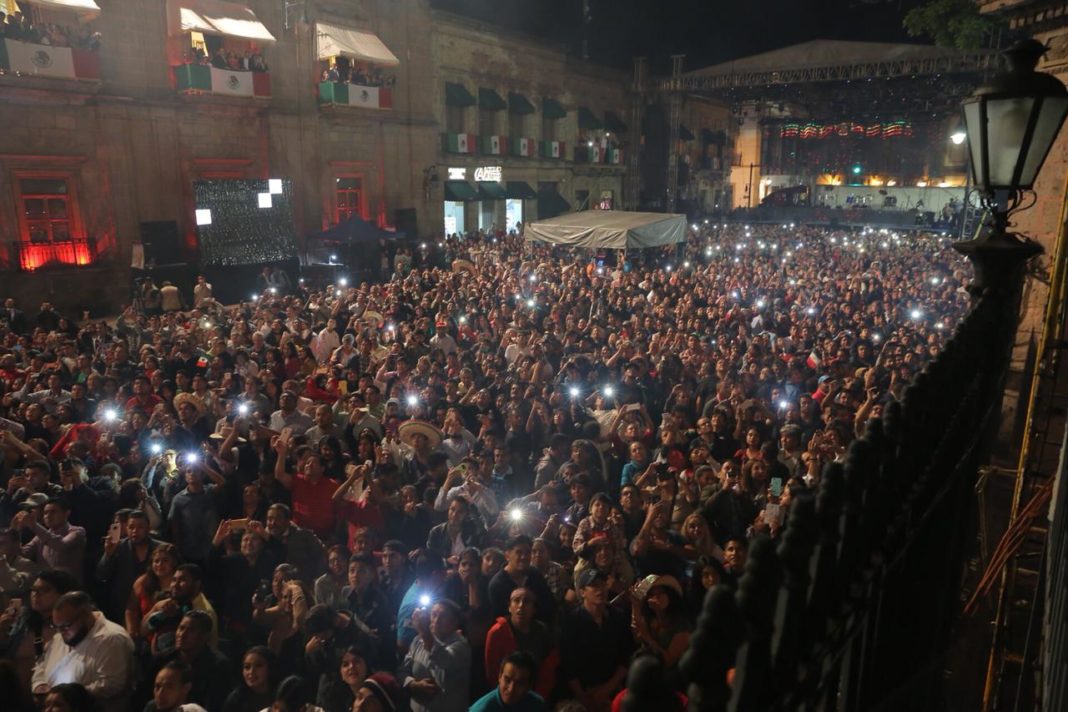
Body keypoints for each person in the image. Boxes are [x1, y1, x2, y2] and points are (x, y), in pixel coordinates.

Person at [33, 591, 135, 712]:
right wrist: (40, 685)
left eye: (66, 626)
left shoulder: (111, 638)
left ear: (85, 615)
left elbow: (113, 684)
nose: (61, 632)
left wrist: (67, 695)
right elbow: (41, 665)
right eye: (56, 627)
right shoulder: (60, 636)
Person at [559, 569, 633, 712]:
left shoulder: (618, 617)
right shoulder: (571, 621)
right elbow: (568, 665)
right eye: (594, 586)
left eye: (603, 584)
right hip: (582, 692)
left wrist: (607, 689)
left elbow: (626, 656)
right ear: (582, 592)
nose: (600, 589)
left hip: (613, 687)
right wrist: (583, 697)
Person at [483, 587, 557, 700]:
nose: (521, 605)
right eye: (516, 600)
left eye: (527, 601)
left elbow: (548, 669)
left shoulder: (543, 631)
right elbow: (492, 672)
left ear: (534, 609)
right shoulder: (498, 632)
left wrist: (537, 698)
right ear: (509, 607)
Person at [400, 598, 471, 712]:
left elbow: (444, 660)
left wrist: (425, 633)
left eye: (443, 617)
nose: (436, 620)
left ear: (454, 622)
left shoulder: (460, 647)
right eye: (434, 614)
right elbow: (402, 671)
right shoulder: (418, 640)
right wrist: (413, 685)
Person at [470, 650, 548, 712]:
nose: (511, 689)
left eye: (519, 683)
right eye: (507, 680)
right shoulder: (481, 709)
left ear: (529, 686)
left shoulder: (537, 705)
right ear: (500, 677)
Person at [221, 646, 275, 712]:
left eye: (258, 665)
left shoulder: (282, 697)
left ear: (270, 668)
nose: (251, 671)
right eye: (247, 667)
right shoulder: (236, 699)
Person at [144, 660, 208, 712]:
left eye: (169, 687)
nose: (160, 693)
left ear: (186, 688)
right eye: (157, 686)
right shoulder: (152, 707)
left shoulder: (193, 710)